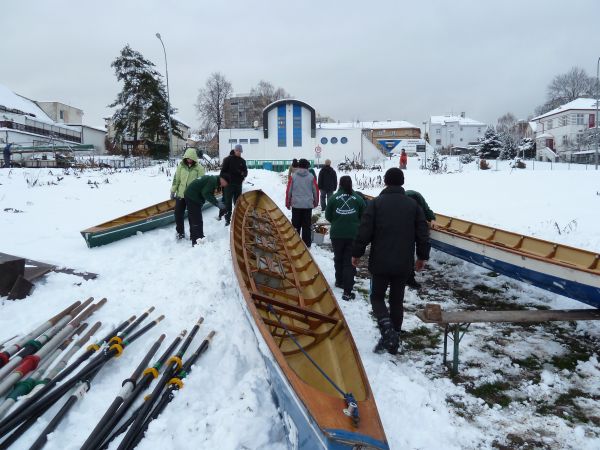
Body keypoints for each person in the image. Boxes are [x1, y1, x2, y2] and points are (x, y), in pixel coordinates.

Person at [352, 168, 429, 355]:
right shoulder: (413, 206)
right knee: (397, 300)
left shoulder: (376, 204)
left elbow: (365, 231)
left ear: (385, 182)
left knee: (376, 297)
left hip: (380, 260)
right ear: (402, 182)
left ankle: (387, 330)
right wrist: (422, 257)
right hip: (403, 263)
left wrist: (357, 252)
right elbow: (422, 233)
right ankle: (394, 338)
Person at [325, 176, 366, 301]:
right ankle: (347, 289)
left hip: (337, 234)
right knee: (349, 261)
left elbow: (327, 215)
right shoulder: (358, 199)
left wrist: (337, 221)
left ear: (339, 184)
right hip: (353, 234)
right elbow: (363, 215)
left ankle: (339, 280)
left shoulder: (332, 198)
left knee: (338, 258)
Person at [170, 148, 206, 239]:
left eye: (191, 158)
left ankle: (193, 235)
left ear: (194, 158)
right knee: (178, 214)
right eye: (187, 158)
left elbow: (202, 183)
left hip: (192, 197)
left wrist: (200, 197)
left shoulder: (199, 168)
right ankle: (180, 233)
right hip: (181, 195)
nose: (189, 160)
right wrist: (173, 190)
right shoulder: (181, 166)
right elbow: (176, 179)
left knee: (192, 216)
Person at [184, 174, 229, 245]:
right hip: (192, 197)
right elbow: (206, 193)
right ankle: (197, 240)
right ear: (222, 179)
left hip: (190, 194)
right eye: (226, 183)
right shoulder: (213, 181)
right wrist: (217, 203)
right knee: (197, 219)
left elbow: (206, 191)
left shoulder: (214, 179)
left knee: (193, 218)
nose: (224, 186)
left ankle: (194, 237)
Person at [405, 190, 436, 289]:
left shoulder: (418, 199)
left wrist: (432, 219)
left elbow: (427, 210)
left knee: (408, 252)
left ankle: (408, 278)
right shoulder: (401, 201)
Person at [286, 158, 319, 247]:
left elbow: (289, 190)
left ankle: (294, 243)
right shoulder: (311, 177)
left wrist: (288, 202)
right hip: (307, 205)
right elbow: (315, 191)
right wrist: (315, 202)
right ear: (307, 166)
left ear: (299, 165)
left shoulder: (293, 177)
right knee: (306, 225)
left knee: (295, 225)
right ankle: (306, 244)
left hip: (296, 204)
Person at [221, 144, 247, 226]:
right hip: (229, 185)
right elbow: (222, 172)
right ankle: (227, 220)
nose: (238, 152)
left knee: (238, 202)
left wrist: (243, 174)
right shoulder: (228, 160)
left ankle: (237, 218)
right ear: (234, 150)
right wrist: (225, 179)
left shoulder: (242, 161)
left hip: (238, 185)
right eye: (237, 151)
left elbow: (246, 172)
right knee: (228, 202)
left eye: (240, 151)